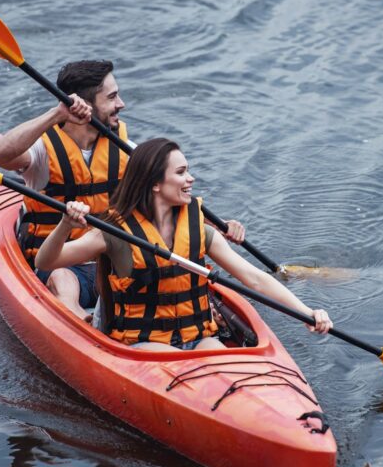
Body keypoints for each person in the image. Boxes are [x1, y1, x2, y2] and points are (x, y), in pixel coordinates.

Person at [0, 60, 245, 320]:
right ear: (85, 104)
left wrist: (221, 226)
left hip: (112, 258)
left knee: (165, 272)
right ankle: (77, 319)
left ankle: (196, 312)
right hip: (59, 259)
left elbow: (169, 196)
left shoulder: (124, 149)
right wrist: (57, 114)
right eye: (111, 97)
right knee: (63, 278)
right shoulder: (42, 151)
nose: (121, 103)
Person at [34, 138, 331, 351]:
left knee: (219, 359)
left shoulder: (198, 231)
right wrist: (65, 226)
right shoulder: (115, 233)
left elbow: (254, 277)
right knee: (179, 364)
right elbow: (45, 263)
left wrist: (306, 312)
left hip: (200, 336)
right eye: (180, 173)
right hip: (145, 345)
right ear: (154, 183)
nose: (190, 178)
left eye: (187, 170)